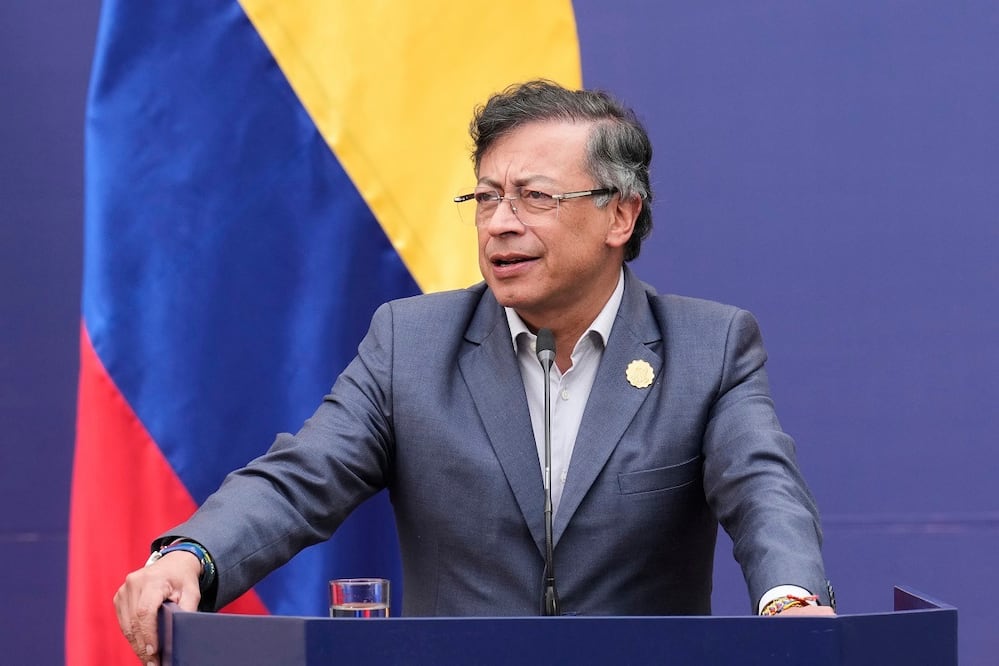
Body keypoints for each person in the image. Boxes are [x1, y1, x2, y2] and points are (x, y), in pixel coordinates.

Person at [114, 79, 834, 664]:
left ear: (621, 215)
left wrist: (790, 598)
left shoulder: (707, 347)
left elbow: (761, 486)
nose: (499, 223)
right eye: (486, 197)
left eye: (534, 196)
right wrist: (194, 556)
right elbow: (302, 478)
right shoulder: (411, 342)